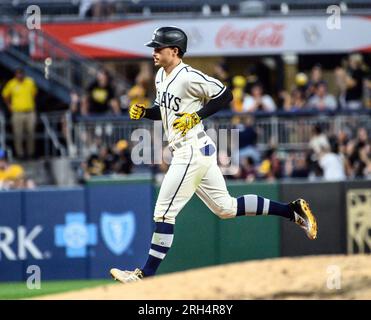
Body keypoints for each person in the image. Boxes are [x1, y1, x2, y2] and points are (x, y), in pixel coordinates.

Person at [110, 27, 318, 284]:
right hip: (195, 150)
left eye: (158, 47)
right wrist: (145, 113)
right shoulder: (161, 77)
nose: (153, 51)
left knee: (164, 213)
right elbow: (164, 111)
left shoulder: (188, 76)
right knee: (226, 208)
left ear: (174, 51)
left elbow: (225, 94)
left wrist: (196, 116)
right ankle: (290, 210)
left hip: (191, 150)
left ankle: (145, 275)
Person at [1, 68, 37, 159]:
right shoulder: (11, 84)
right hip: (17, 113)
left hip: (29, 112)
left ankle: (30, 153)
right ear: (15, 75)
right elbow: (5, 96)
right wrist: (9, 106)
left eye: (21, 74)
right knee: (18, 134)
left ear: (24, 74)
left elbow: (34, 94)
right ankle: (20, 154)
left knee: (31, 133)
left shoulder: (30, 82)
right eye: (18, 74)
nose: (20, 75)